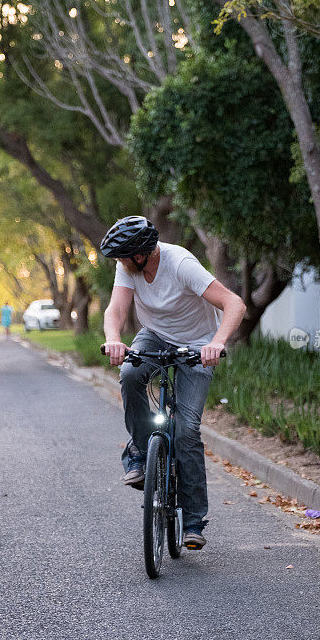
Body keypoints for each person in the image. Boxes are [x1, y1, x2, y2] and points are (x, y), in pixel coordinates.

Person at [101, 216, 246, 549]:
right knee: (130, 372)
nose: (121, 263)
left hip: (198, 344)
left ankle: (193, 521)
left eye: (125, 257)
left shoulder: (181, 263)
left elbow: (234, 303)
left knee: (186, 429)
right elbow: (117, 309)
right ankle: (139, 452)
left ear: (143, 253)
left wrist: (218, 342)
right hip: (154, 336)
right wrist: (114, 338)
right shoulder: (129, 267)